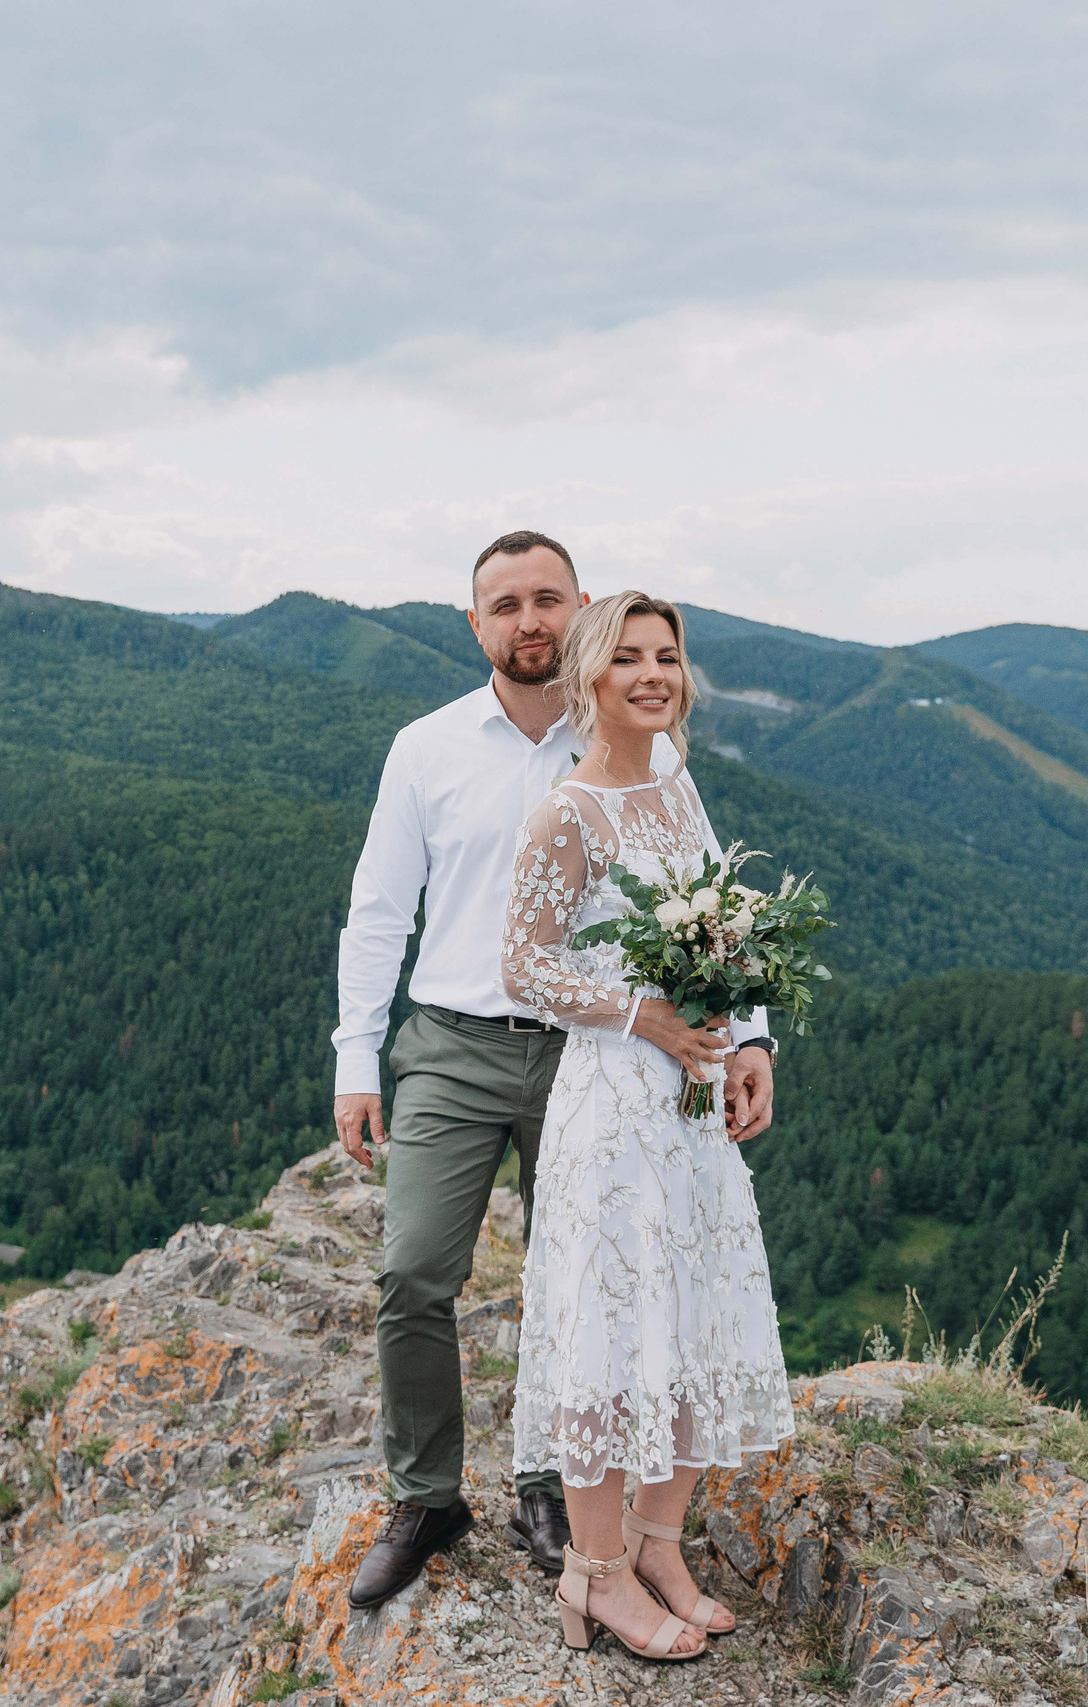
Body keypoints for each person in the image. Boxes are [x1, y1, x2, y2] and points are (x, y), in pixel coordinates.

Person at [333, 536, 776, 1612]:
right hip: (456, 1044)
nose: (527, 619)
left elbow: (709, 902)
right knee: (413, 1273)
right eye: (503, 605)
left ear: (577, 611)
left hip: (605, 1057)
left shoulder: (641, 744)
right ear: (473, 624)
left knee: (580, 1283)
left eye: (546, 600)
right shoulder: (426, 747)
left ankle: (549, 1492)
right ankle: (428, 1495)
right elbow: (380, 910)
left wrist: (750, 1033)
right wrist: (357, 1059)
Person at [499, 590, 794, 1661]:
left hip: (691, 1104)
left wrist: (747, 1041)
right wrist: (644, 1016)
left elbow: (725, 929)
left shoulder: (678, 787)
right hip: (615, 1102)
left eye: (666, 656)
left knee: (691, 1314)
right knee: (609, 1332)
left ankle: (661, 1544)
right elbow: (521, 965)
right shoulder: (565, 812)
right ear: (588, 681)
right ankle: (597, 1574)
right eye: (627, 659)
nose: (653, 675)